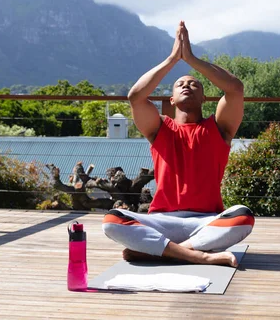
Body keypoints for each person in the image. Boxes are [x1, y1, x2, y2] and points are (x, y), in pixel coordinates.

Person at [102, 21, 254, 267]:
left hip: (206, 222)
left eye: (194, 84)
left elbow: (235, 89)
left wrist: (191, 59)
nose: (187, 85)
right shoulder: (159, 128)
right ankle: (199, 256)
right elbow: (136, 96)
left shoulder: (219, 128)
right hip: (163, 221)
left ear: (204, 97)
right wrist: (173, 58)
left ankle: (161, 252)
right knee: (112, 219)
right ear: (172, 99)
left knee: (243, 216)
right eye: (180, 84)